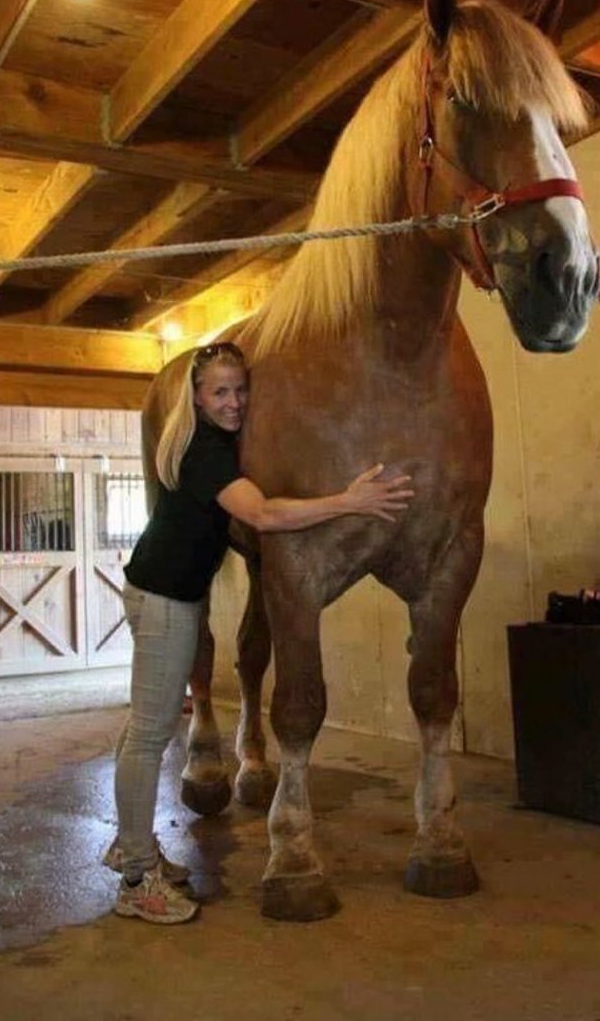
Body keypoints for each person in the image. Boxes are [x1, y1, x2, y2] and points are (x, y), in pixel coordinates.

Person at [108, 341, 413, 924]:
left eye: (241, 390)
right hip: (164, 602)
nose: (234, 402)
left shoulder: (217, 444)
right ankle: (136, 880)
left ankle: (132, 848)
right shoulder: (203, 454)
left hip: (168, 595)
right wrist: (351, 501)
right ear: (196, 397)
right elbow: (266, 515)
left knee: (141, 729)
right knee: (149, 736)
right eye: (220, 392)